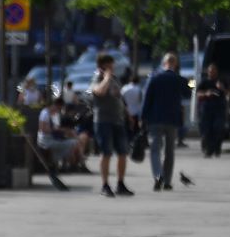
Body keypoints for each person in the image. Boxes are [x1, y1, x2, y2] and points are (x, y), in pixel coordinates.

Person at [141, 52, 189, 191]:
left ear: (163, 63)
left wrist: (143, 117)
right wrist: (191, 83)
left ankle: (158, 175)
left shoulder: (154, 78)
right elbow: (188, 93)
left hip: (155, 119)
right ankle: (167, 181)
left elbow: (147, 98)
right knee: (170, 151)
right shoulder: (179, 79)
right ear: (175, 64)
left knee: (155, 149)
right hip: (172, 120)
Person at [89, 53, 134, 197]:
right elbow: (99, 92)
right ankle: (105, 185)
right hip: (103, 121)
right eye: (109, 65)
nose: (112, 67)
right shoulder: (97, 78)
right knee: (106, 153)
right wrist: (106, 78)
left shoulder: (115, 79)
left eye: (112, 65)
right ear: (102, 66)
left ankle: (120, 184)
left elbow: (118, 97)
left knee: (123, 152)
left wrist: (127, 113)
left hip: (118, 120)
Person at [37, 98, 84, 170]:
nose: (59, 110)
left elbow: (56, 127)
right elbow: (43, 129)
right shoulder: (45, 113)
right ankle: (75, 164)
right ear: (56, 106)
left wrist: (61, 131)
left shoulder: (53, 114)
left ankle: (76, 164)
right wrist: (58, 130)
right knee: (73, 143)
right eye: (59, 108)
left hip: (53, 138)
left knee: (75, 142)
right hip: (46, 140)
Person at [195, 63, 228, 158]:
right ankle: (208, 150)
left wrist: (222, 88)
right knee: (207, 130)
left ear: (217, 72)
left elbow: (229, 93)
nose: (212, 73)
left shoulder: (221, 81)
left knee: (218, 128)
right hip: (206, 109)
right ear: (208, 72)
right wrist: (206, 93)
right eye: (210, 71)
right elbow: (198, 94)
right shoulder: (204, 82)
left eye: (214, 71)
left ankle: (217, 148)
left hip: (219, 109)